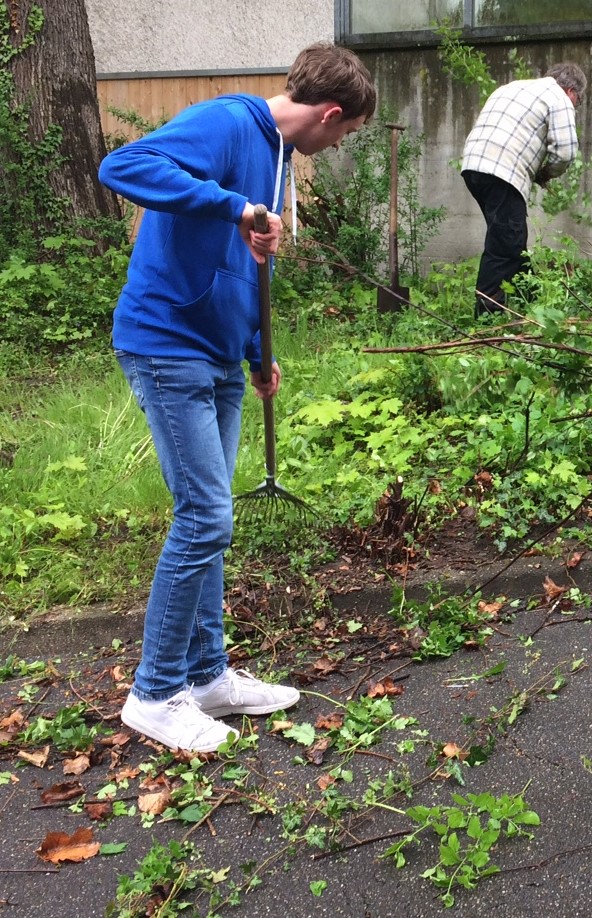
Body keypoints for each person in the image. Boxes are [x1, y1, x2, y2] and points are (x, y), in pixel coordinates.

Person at [99, 43, 376, 754]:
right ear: (331, 113)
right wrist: (232, 205)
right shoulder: (227, 123)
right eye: (342, 135)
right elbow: (122, 166)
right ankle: (155, 695)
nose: (334, 146)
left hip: (218, 354)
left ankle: (207, 676)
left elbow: (246, 261)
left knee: (210, 518)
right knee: (205, 517)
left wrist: (259, 353)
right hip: (166, 343)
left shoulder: (278, 158)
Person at [461, 62, 586, 316]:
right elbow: (565, 152)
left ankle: (531, 302)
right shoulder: (558, 97)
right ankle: (486, 318)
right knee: (503, 246)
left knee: (511, 239)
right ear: (572, 92)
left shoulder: (514, 86)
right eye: (577, 102)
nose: (574, 106)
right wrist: (544, 174)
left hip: (474, 165)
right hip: (503, 170)